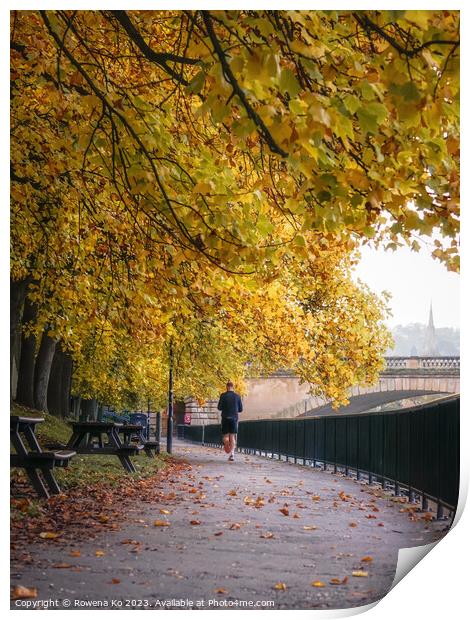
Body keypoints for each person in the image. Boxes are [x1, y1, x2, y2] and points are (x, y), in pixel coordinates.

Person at [217, 381, 243, 462]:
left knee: (225, 436)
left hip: (225, 418)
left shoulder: (223, 396)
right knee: (232, 436)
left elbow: (219, 408)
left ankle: (226, 443)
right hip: (234, 418)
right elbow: (240, 409)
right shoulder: (237, 396)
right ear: (233, 387)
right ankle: (232, 454)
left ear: (226, 387)